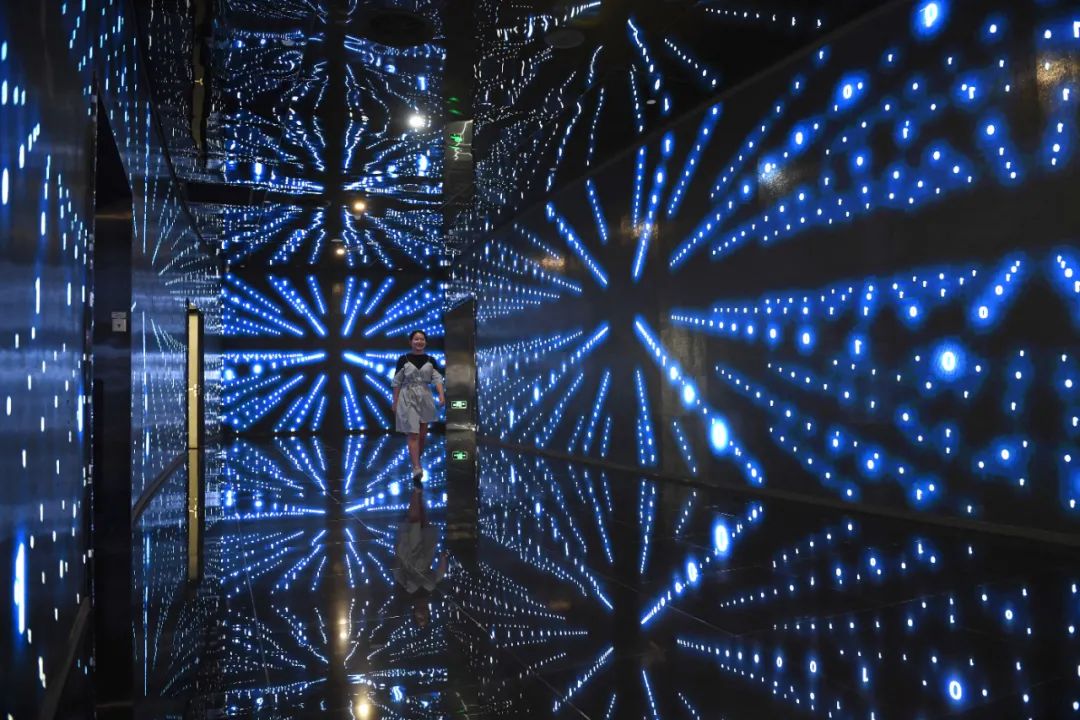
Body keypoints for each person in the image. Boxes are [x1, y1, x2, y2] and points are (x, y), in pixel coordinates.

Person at [392, 481, 449, 627]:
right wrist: (443, 559)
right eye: (425, 618)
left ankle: (416, 490)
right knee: (423, 520)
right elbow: (439, 575)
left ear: (414, 615)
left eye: (419, 619)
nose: (422, 615)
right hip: (426, 553)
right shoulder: (433, 595)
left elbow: (397, 573)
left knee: (414, 521)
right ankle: (419, 492)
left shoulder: (406, 594)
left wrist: (398, 555)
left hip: (410, 555)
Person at [391, 330, 445, 484]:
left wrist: (441, 394)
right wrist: (395, 401)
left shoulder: (431, 360)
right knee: (413, 434)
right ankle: (416, 467)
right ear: (411, 342)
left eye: (422, 339)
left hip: (425, 397)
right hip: (407, 397)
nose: (419, 342)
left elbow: (437, 379)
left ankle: (416, 462)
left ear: (425, 342)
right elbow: (397, 382)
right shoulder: (403, 359)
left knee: (422, 436)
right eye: (416, 339)